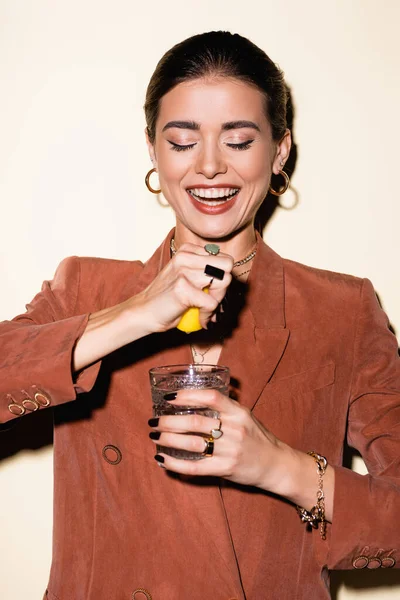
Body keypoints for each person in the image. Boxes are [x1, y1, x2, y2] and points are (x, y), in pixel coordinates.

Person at [1, 30, 399, 600]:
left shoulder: (343, 309)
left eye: (238, 141)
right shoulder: (87, 287)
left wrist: (279, 468)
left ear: (280, 150)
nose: (210, 167)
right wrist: (137, 313)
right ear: (153, 151)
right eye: (183, 142)